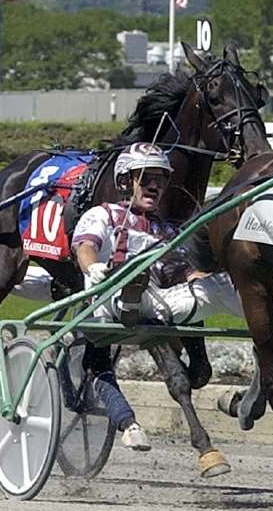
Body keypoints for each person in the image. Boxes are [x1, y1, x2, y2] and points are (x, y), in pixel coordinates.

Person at [71, 142, 243, 451]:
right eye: (146, 177)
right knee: (130, 280)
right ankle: (130, 289)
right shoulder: (104, 214)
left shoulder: (167, 229)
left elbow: (187, 273)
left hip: (157, 304)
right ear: (125, 182)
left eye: (161, 179)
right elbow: (85, 247)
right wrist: (94, 268)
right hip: (104, 300)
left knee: (219, 285)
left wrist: (211, 282)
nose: (155, 185)